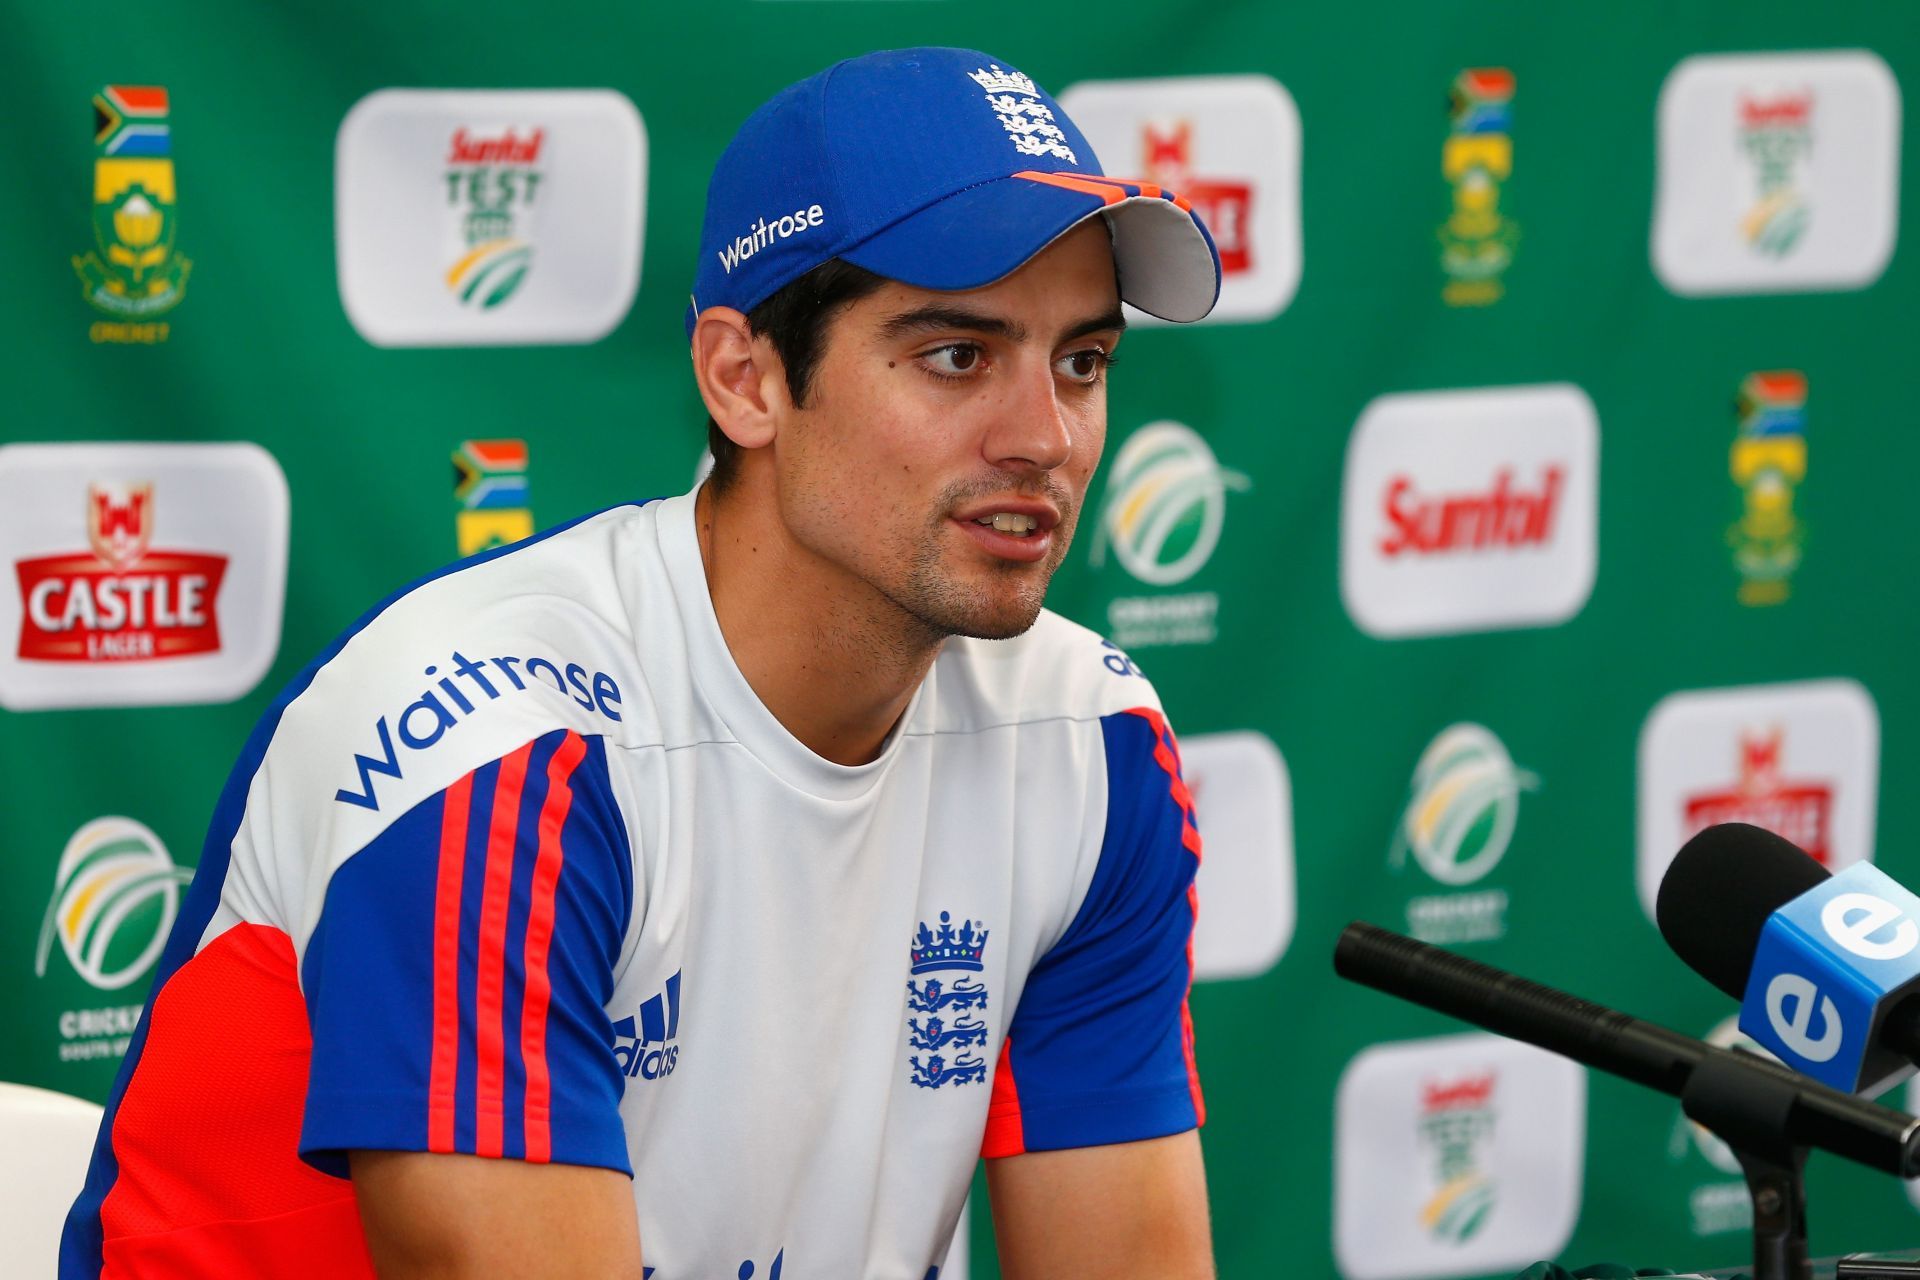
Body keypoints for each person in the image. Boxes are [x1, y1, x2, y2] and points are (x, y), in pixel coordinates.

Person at [60, 46, 1222, 1279]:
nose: (1045, 436)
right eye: (956, 356)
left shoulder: (1087, 739)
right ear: (745, 378)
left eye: (1082, 362)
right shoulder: (498, 751)